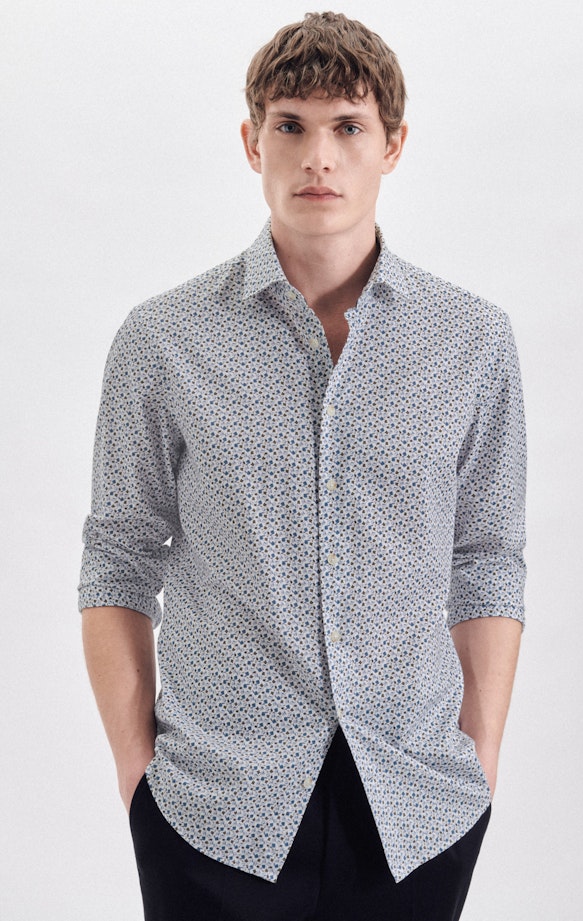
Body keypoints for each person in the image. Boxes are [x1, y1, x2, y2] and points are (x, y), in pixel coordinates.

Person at [78, 11, 526, 921]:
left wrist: (479, 760)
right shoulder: (162, 340)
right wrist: (137, 777)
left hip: (417, 809)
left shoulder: (472, 340)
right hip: (212, 805)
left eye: (348, 127)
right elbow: (118, 557)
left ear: (393, 145)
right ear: (253, 142)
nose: (319, 157)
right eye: (292, 125)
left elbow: (486, 559)